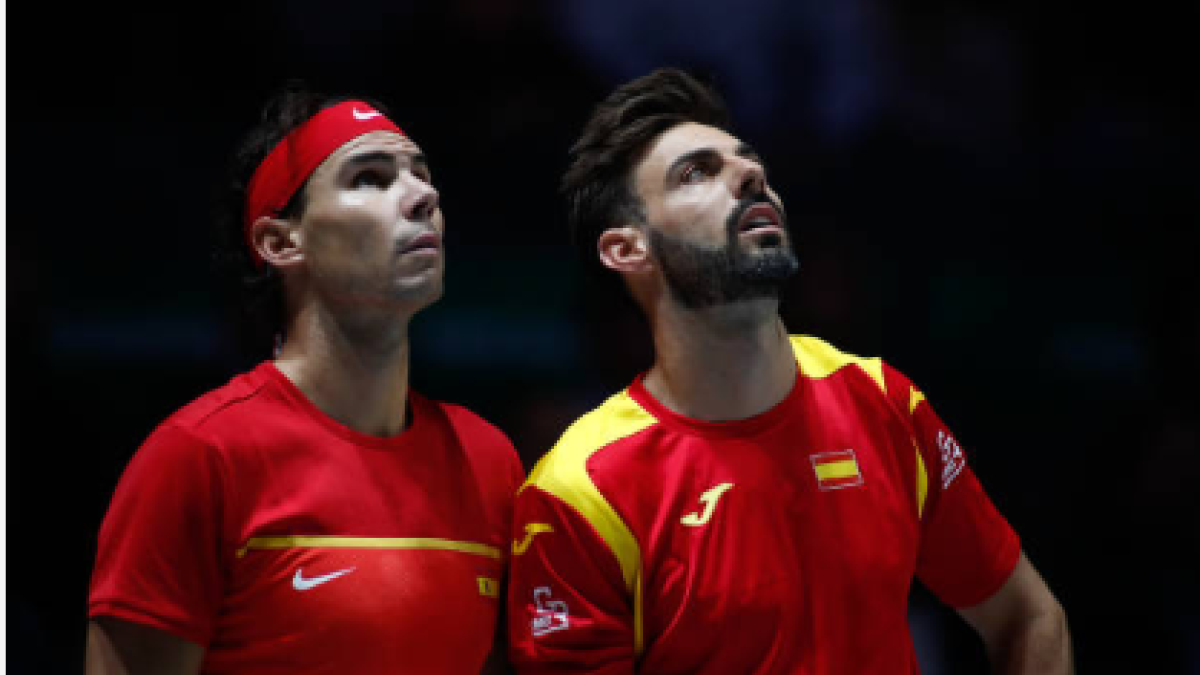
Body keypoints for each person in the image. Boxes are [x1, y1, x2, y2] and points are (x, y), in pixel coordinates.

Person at [506, 68, 1073, 673]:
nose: (751, 175)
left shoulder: (881, 400)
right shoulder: (580, 491)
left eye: (748, 162)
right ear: (627, 249)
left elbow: (1028, 616)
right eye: (696, 173)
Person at [86, 83, 524, 674]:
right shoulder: (201, 457)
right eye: (369, 178)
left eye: (423, 174)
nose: (423, 195)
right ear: (279, 241)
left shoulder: (488, 461)